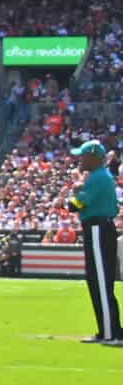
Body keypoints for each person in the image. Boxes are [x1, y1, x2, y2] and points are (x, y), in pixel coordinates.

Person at [73, 139, 120, 344]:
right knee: (97, 281)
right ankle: (106, 330)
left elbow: (76, 204)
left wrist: (76, 190)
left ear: (93, 158)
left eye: (82, 156)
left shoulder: (98, 177)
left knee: (100, 282)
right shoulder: (99, 176)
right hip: (98, 228)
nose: (79, 159)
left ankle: (111, 333)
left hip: (97, 229)